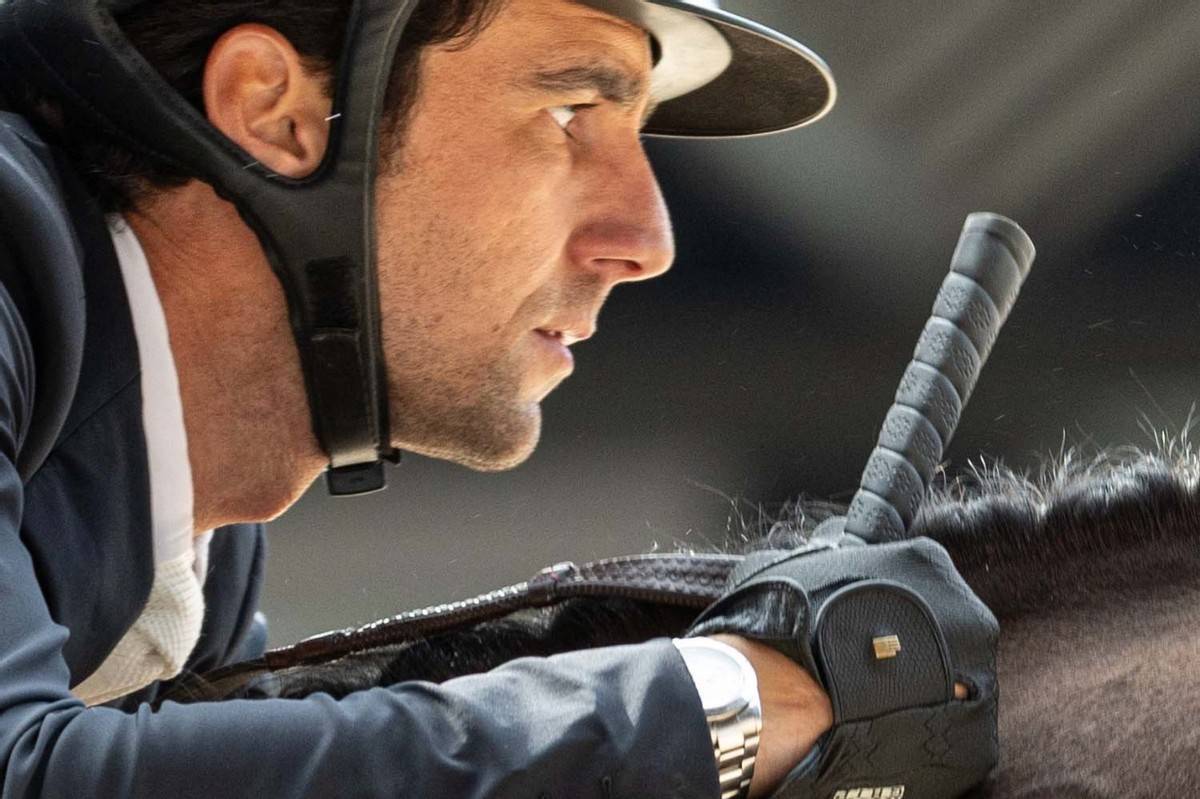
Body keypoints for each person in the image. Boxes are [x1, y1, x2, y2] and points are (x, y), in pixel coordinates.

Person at [0, 1, 995, 797]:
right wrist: (704, 710)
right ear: (276, 111)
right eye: (569, 114)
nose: (648, 239)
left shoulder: (195, 536)